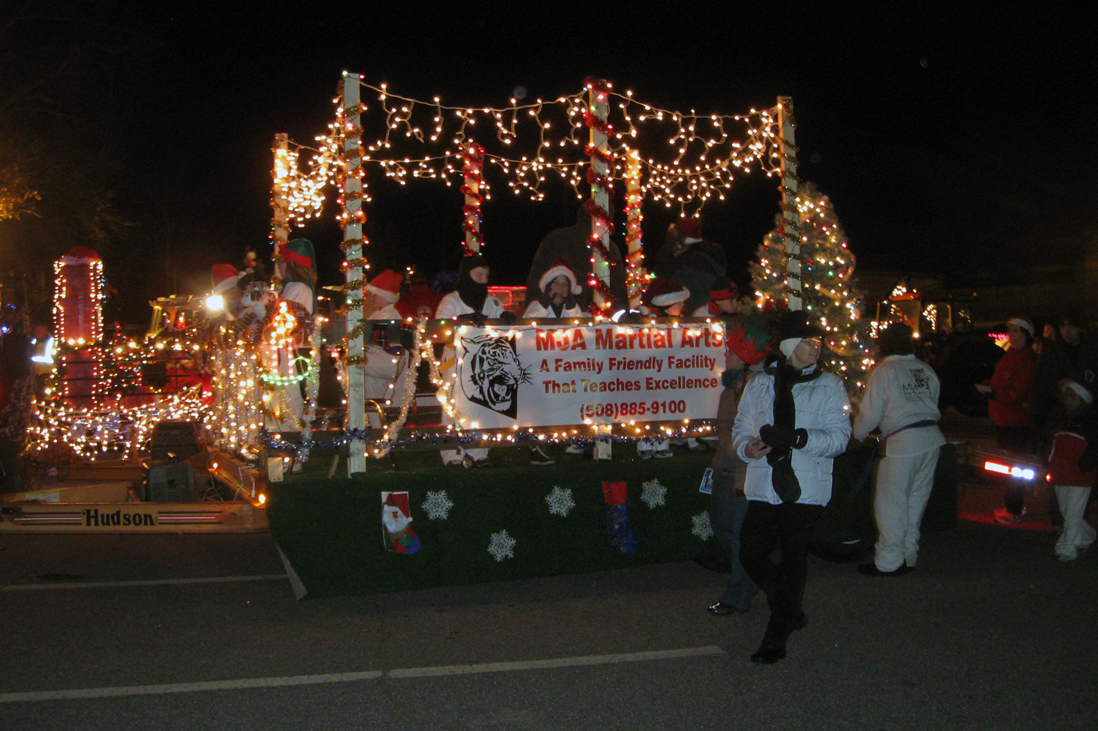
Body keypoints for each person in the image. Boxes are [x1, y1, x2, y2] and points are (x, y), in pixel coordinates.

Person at [733, 310, 851, 664]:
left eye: (819, 342)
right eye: (809, 342)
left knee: (793, 559)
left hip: (805, 487)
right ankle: (786, 603)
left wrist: (798, 438)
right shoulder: (759, 383)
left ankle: (776, 638)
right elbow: (741, 428)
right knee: (750, 552)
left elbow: (839, 438)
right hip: (765, 483)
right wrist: (746, 447)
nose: (817, 348)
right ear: (788, 345)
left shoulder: (829, 385)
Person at [852, 322, 945, 576]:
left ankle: (888, 562)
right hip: (931, 440)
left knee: (890, 504)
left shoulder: (884, 371)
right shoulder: (925, 370)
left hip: (902, 444)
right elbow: (933, 400)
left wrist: (856, 434)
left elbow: (870, 414)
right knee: (915, 501)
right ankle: (908, 554)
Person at [707, 322, 771, 616]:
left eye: (731, 350)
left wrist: (743, 470)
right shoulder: (734, 386)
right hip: (724, 468)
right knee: (724, 529)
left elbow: (751, 435)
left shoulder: (753, 389)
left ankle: (739, 594)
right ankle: (754, 578)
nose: (725, 354)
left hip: (739, 472)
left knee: (736, 534)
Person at [435, 254, 505, 467]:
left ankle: (479, 451)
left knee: (482, 405)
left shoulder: (491, 301)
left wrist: (507, 318)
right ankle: (452, 455)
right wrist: (461, 322)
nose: (483, 280)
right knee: (453, 406)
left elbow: (501, 319)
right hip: (455, 360)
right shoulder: (451, 301)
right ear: (467, 275)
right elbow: (440, 329)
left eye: (485, 275)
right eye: (478, 275)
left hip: (484, 362)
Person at [979, 315, 1037, 523]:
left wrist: (994, 394)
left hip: (1015, 421)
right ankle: (1013, 504)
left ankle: (1015, 508)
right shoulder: (1011, 354)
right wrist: (989, 386)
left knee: (1015, 466)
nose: (1011, 335)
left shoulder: (1026, 358)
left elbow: (1018, 393)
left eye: (1016, 331)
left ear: (1026, 335)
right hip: (1005, 418)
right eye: (1010, 331)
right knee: (1010, 464)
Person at [525, 206, 629, 312]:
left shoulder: (555, 238)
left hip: (554, 315)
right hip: (595, 317)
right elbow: (619, 289)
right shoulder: (608, 248)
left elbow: (536, 281)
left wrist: (533, 311)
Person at [636, 277, 690, 459]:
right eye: (678, 304)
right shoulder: (645, 324)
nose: (682, 307)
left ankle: (663, 443)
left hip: (670, 376)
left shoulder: (682, 324)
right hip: (649, 375)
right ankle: (645, 442)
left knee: (667, 409)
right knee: (648, 409)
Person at [1048, 380, 1097, 561]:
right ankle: (1087, 535)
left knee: (1073, 512)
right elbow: (1054, 444)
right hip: (1062, 471)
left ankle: (1066, 549)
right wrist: (1049, 463)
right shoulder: (1062, 418)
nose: (1067, 400)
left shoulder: (1089, 421)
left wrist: (1087, 463)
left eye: (1072, 397)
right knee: (1066, 509)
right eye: (1066, 396)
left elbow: (1094, 446)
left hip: (1079, 472)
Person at [653, 217, 728, 314]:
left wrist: (668, 245)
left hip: (693, 314)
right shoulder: (708, 255)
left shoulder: (689, 260)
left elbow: (664, 272)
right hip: (707, 310)